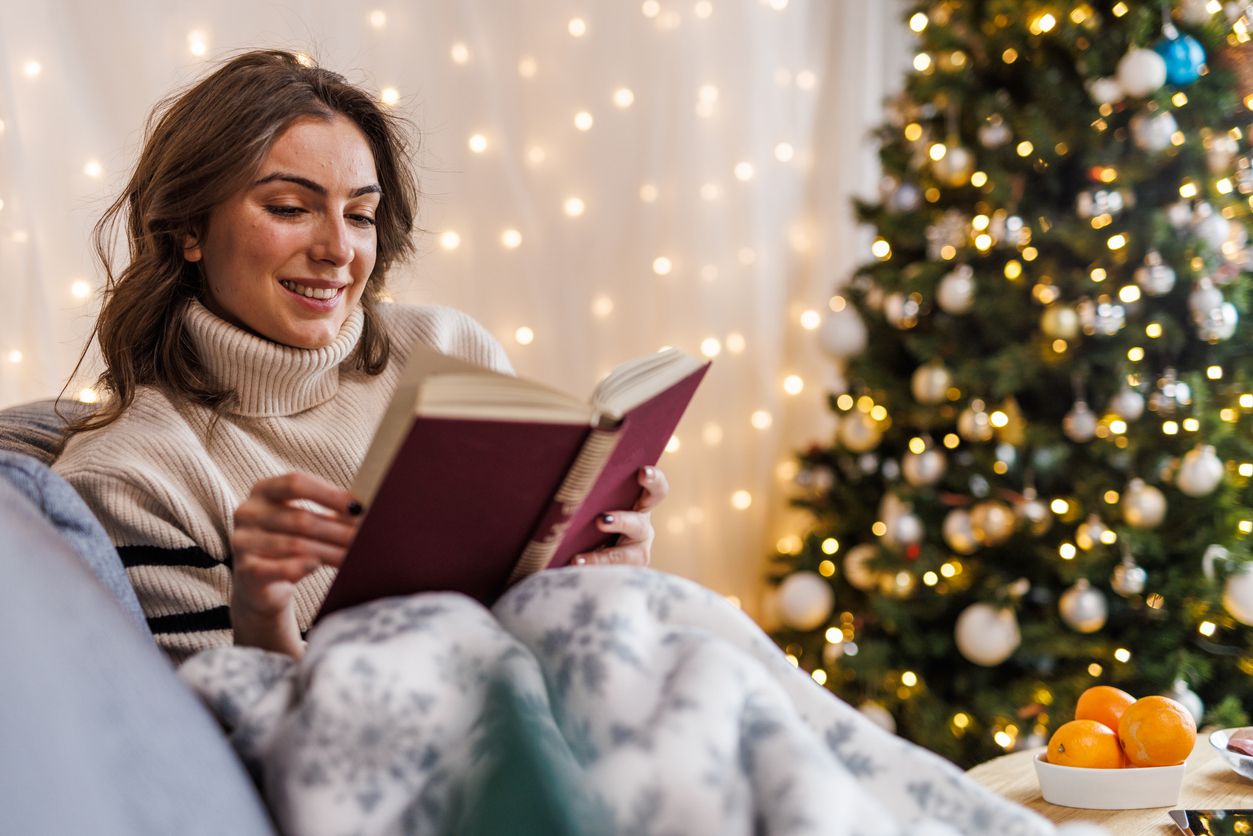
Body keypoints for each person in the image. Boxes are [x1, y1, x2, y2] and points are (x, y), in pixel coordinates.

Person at [53, 49, 668, 664]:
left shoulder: (448, 349)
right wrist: (262, 618)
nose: (338, 250)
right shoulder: (128, 480)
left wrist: (606, 571)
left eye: (360, 215)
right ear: (188, 228)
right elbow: (243, 743)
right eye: (290, 208)